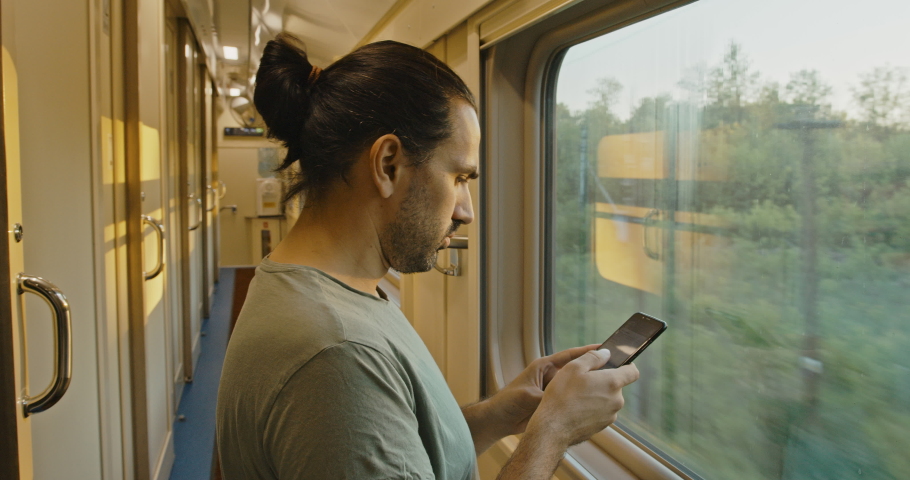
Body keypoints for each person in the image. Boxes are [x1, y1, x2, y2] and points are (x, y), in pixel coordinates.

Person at [215, 33, 640, 480]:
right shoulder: (336, 354)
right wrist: (553, 431)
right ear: (388, 165)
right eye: (458, 176)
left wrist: (497, 415)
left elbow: (401, 454)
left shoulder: (337, 293)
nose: (467, 211)